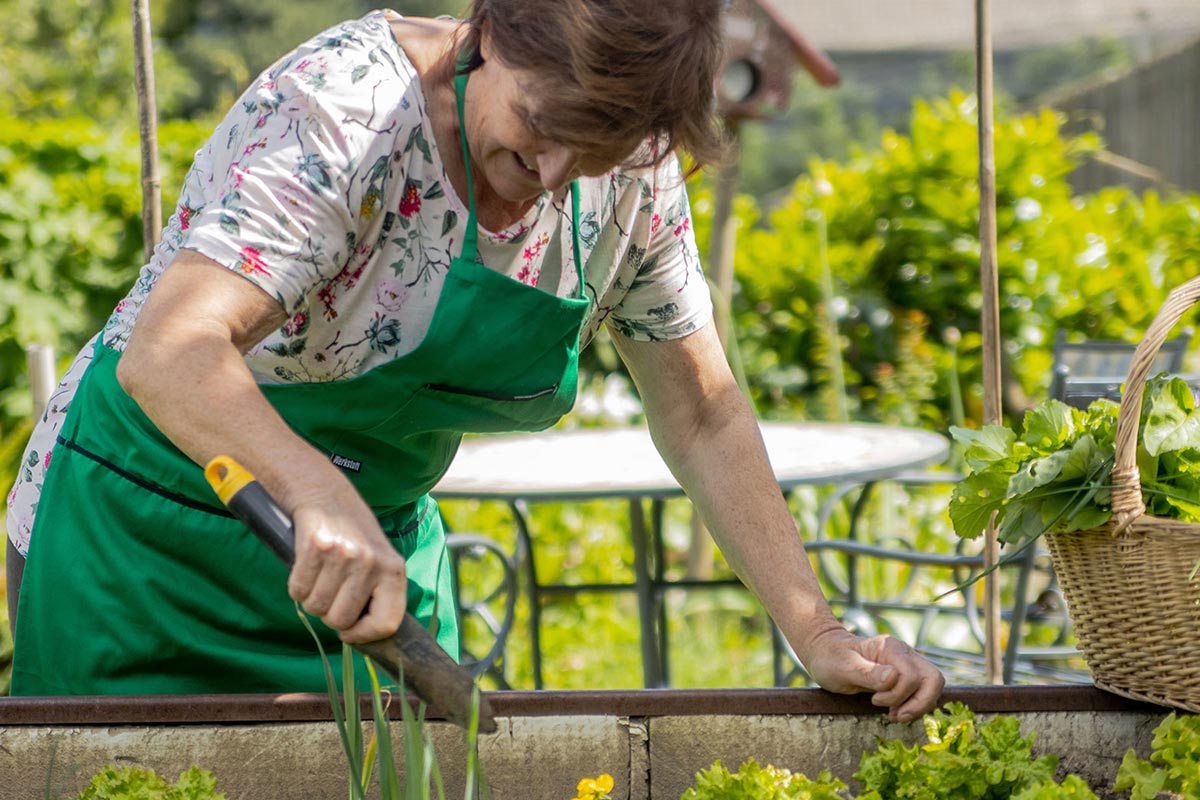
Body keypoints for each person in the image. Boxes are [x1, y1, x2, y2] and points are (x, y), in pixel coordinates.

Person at [6, 0, 943, 720]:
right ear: (489, 32)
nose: (553, 176)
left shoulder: (637, 181)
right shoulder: (348, 110)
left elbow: (702, 412)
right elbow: (172, 352)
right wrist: (317, 493)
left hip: (370, 574)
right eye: (540, 126)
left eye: (599, 150)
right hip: (140, 541)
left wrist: (813, 628)